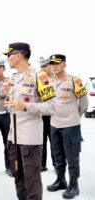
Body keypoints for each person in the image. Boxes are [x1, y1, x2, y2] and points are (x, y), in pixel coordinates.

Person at [0, 42, 56, 200]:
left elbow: (52, 107)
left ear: (18, 56)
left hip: (30, 140)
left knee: (32, 182)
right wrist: (3, 93)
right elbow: (1, 105)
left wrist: (25, 106)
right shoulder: (13, 78)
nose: (7, 58)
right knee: (19, 180)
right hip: (13, 137)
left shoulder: (39, 77)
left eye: (8, 55)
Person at [46, 54, 88, 199]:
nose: (54, 66)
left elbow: (84, 103)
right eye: (52, 63)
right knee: (58, 155)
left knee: (72, 157)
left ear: (64, 64)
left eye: (57, 63)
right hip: (54, 124)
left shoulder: (74, 80)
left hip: (71, 125)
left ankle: (74, 185)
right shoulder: (48, 82)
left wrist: (74, 116)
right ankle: (60, 180)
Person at [38, 56, 55, 172]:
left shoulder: (56, 80)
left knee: (55, 142)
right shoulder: (38, 79)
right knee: (41, 142)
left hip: (54, 117)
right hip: (41, 116)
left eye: (45, 65)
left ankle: (57, 165)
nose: (43, 68)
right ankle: (42, 164)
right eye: (41, 66)